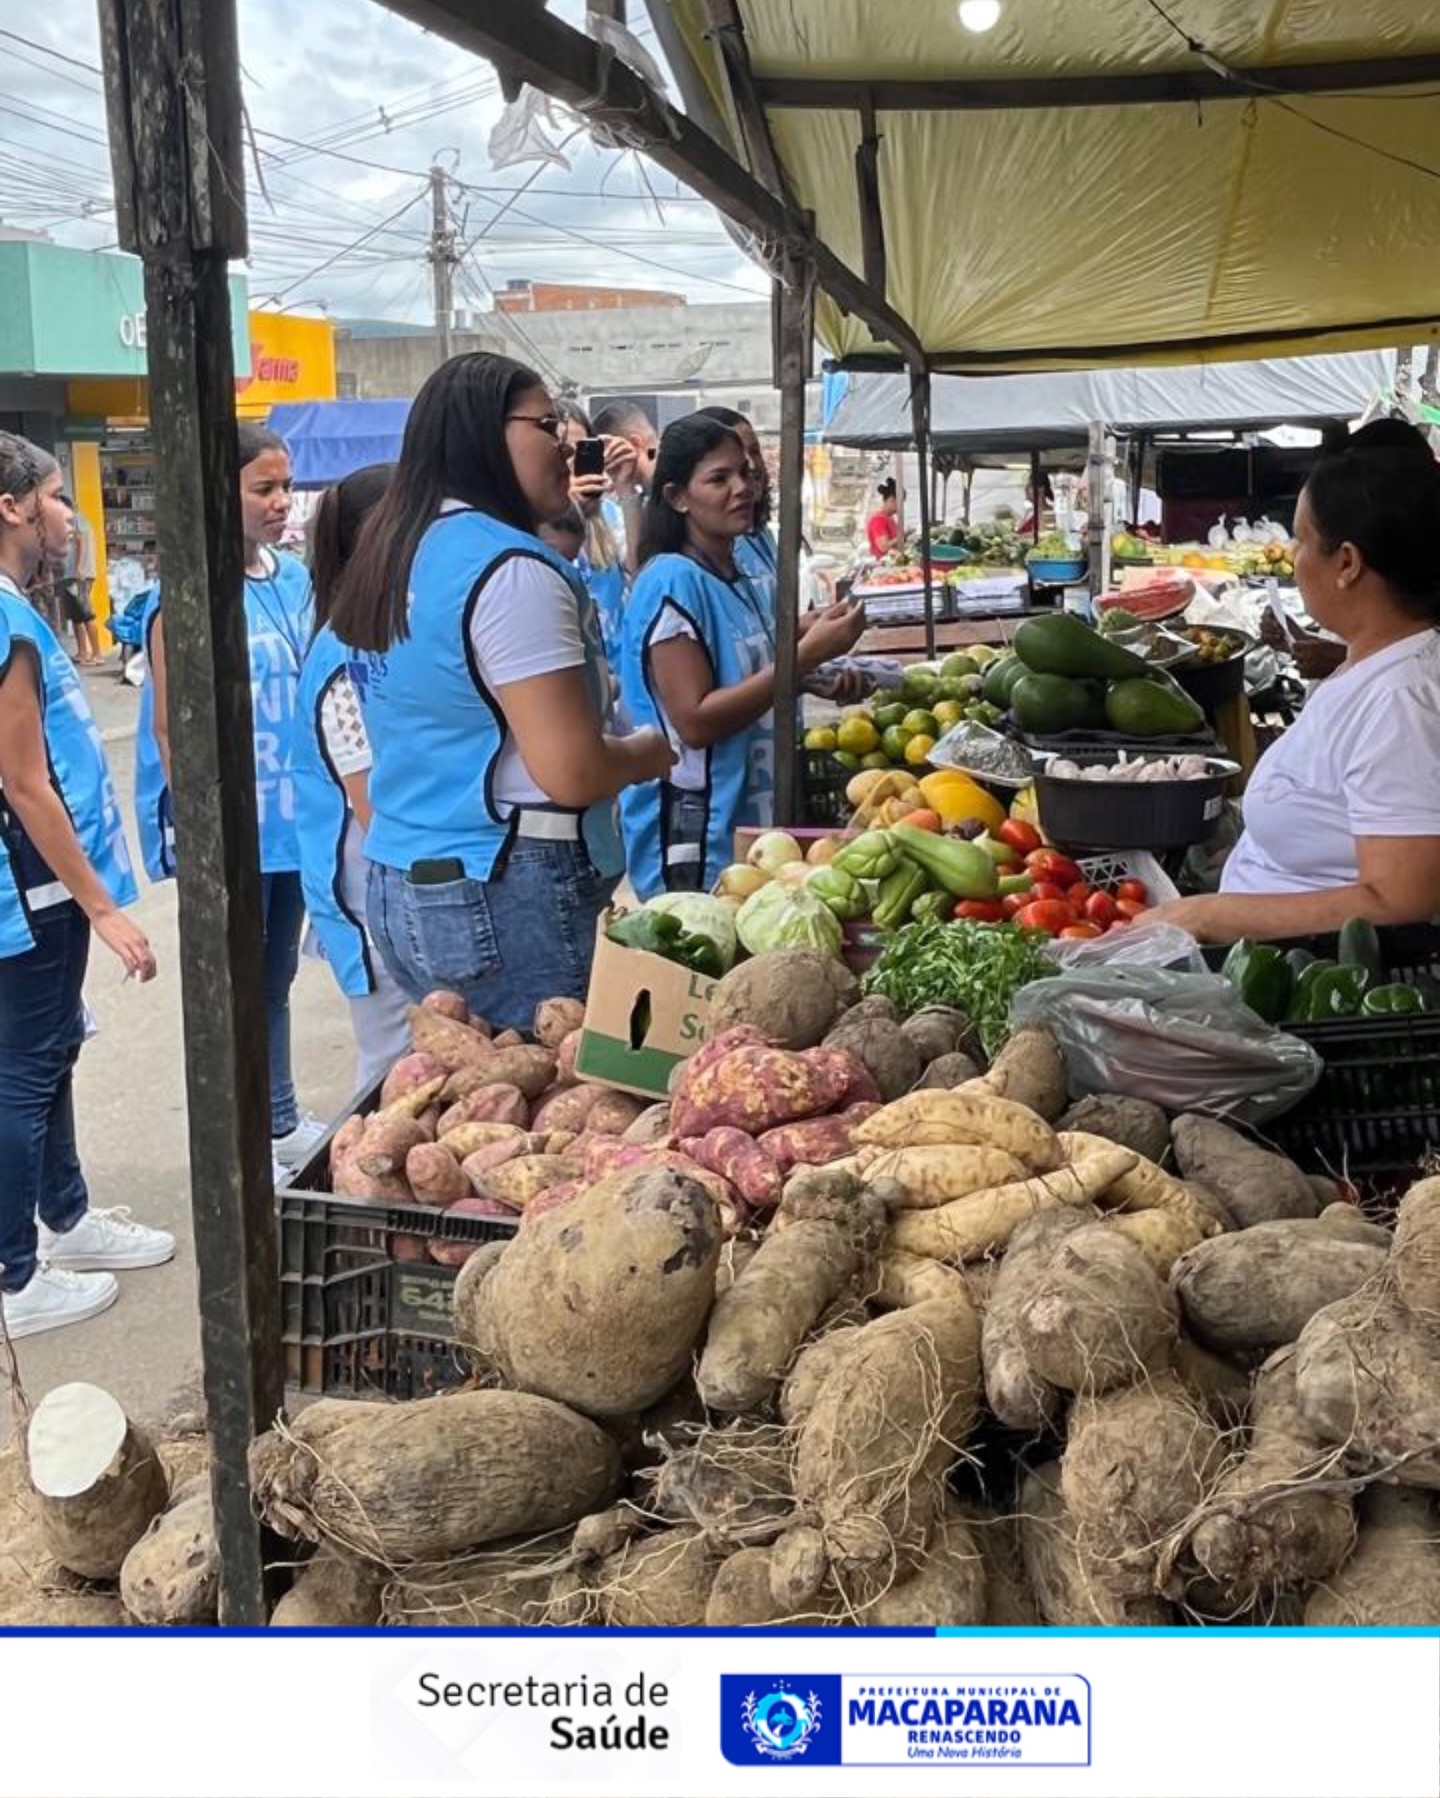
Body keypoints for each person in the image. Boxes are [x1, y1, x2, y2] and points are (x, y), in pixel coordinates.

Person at [329, 352, 673, 1032]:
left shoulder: (393, 551)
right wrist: (650, 750)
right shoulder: (512, 571)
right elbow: (571, 770)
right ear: (485, 434)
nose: (567, 447)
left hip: (401, 884)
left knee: (481, 1107)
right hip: (508, 888)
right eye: (547, 425)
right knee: (552, 1108)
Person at [0, 433, 172, 1340]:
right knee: (24, 1069)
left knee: (49, 1049)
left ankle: (64, 1220)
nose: (70, 516)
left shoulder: (17, 611)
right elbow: (24, 781)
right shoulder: (6, 620)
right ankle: (15, 1276)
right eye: (59, 498)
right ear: (13, 506)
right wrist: (101, 907)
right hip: (31, 879)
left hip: (39, 876)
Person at [1150, 419, 1440, 944]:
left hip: (1306, 979)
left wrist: (1207, 916)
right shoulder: (1372, 662)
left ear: (1347, 562)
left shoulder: (1401, 702)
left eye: (1303, 539)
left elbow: (1402, 900)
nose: (1294, 558)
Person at [145, 422, 325, 1170]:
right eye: (264, 489)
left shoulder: (294, 577)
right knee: (237, 989)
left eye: (286, 487)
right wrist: (208, 830)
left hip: (294, 825)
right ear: (223, 494)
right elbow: (168, 730)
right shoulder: (185, 591)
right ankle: (244, 1139)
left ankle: (278, 1115)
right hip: (234, 831)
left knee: (275, 976)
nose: (282, 502)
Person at [617, 414, 866, 897]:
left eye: (745, 473)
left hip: (753, 826)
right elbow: (694, 720)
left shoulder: (735, 574)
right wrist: (804, 658)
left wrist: (812, 648)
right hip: (698, 835)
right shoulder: (672, 581)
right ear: (677, 497)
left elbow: (752, 666)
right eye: (719, 479)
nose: (743, 488)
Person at [293, 464, 411, 1094]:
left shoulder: (381, 636)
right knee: (392, 1074)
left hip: (394, 890)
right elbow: (371, 805)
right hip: (372, 895)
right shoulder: (344, 656)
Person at [556, 399, 635, 664]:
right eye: (565, 454)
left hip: (622, 674)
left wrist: (625, 486)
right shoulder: (534, 525)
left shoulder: (609, 515)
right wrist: (569, 515)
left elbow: (640, 568)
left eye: (583, 451)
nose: (573, 464)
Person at [590, 398, 657, 569]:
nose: (606, 472)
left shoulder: (663, 492)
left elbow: (640, 567)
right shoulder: (640, 494)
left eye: (609, 458)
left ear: (634, 444)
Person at [58, 501, 99, 666]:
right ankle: (83, 652)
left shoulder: (76, 519)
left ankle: (97, 653)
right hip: (73, 574)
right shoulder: (79, 520)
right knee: (76, 616)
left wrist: (79, 568)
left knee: (85, 613)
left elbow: (80, 540)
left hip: (79, 574)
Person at [866, 477, 901, 559]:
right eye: (900, 503)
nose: (901, 507)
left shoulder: (890, 518)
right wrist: (900, 537)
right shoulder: (878, 520)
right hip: (883, 563)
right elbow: (883, 547)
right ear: (892, 500)